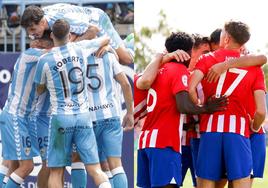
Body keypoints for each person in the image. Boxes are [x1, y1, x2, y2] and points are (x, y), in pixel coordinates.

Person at [136, 31, 227, 188]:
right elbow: (183, 105)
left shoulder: (156, 70)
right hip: (165, 142)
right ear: (189, 52)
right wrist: (206, 108)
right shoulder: (178, 69)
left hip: (146, 141)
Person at [34, 19, 111, 188]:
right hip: (83, 116)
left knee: (56, 171)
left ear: (52, 35)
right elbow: (106, 39)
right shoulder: (81, 47)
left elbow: (39, 90)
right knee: (95, 169)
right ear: (69, 35)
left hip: (61, 117)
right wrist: (105, 46)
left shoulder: (44, 60)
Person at [189, 20, 266, 188]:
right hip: (238, 131)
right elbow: (261, 111)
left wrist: (201, 105)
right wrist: (253, 127)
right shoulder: (254, 67)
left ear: (227, 38)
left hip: (209, 130)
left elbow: (191, 88)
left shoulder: (207, 59)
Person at [0, 35, 53, 188]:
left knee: (12, 163)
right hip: (16, 117)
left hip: (19, 116)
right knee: (27, 166)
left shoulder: (36, 58)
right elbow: (58, 53)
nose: (33, 39)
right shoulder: (32, 54)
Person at [20, 4, 133, 65]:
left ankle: (131, 41)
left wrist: (68, 48)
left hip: (96, 20)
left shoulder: (61, 20)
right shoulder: (40, 18)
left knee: (125, 60)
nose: (31, 34)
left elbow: (93, 30)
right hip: (79, 21)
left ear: (42, 22)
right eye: (28, 31)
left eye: (32, 29)